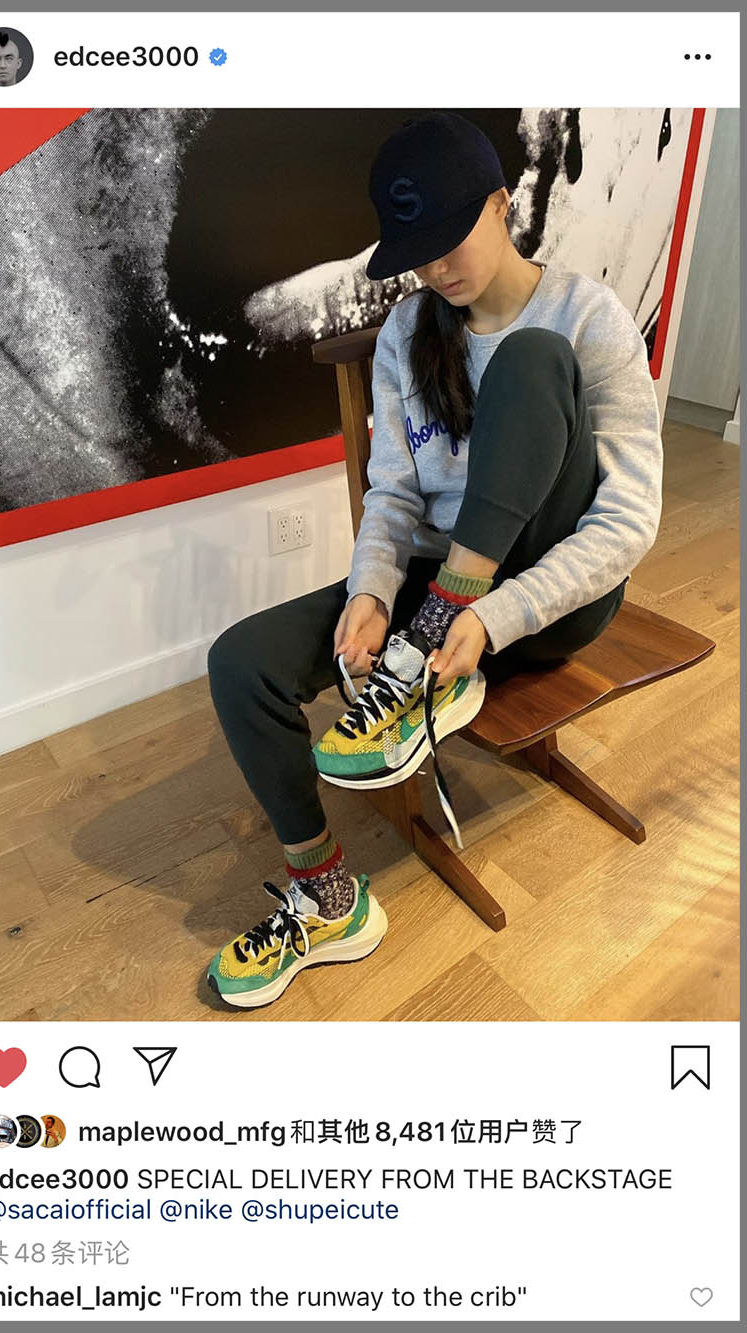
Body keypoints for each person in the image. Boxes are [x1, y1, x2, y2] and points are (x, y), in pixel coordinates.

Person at [206, 111, 663, 1009]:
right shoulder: (408, 332)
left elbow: (628, 520)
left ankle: (434, 642)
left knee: (531, 361)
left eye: (451, 237)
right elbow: (393, 494)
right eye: (417, 253)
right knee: (240, 663)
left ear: (501, 203)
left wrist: (485, 613)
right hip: (430, 599)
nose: (438, 269)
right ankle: (329, 899)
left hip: (550, 595)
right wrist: (373, 591)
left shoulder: (585, 317)